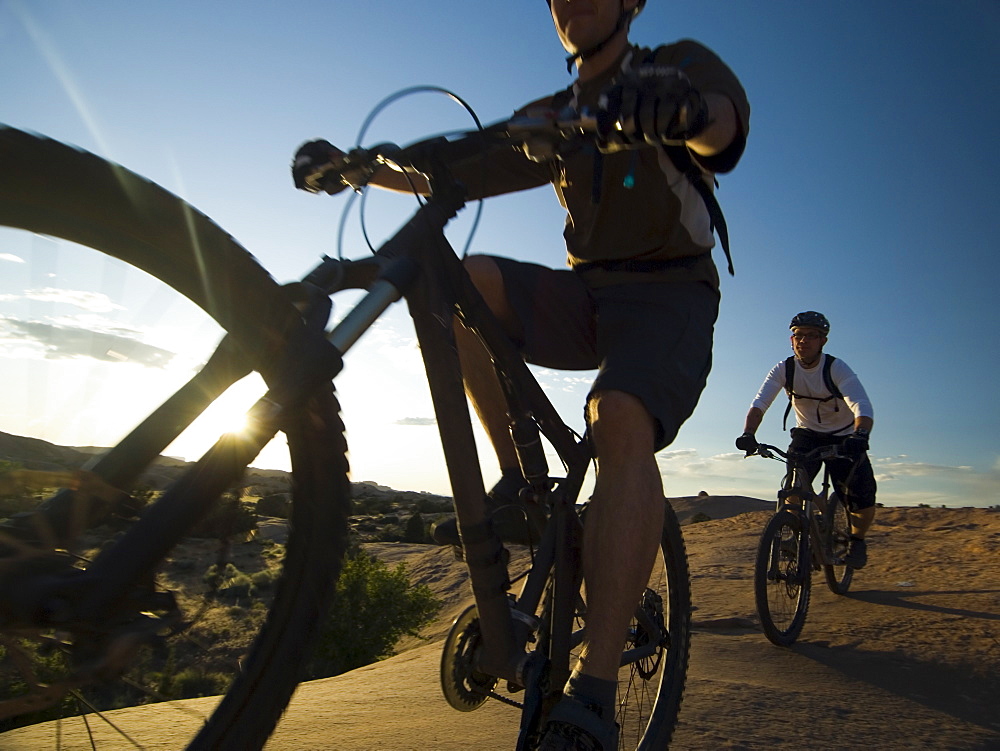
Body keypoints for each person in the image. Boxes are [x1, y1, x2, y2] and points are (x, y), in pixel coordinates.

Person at [293, 2, 749, 748]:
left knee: (618, 417)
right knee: (461, 282)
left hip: (669, 293)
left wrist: (682, 106)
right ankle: (522, 482)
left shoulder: (673, 64)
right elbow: (461, 167)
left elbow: (723, 126)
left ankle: (595, 696)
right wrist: (364, 168)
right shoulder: (553, 113)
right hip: (588, 292)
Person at [736, 311, 877, 570]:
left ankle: (857, 540)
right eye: (798, 336)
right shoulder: (784, 369)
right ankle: (792, 534)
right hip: (807, 434)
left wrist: (861, 435)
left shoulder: (836, 368)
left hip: (845, 436)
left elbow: (861, 404)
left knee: (861, 495)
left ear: (823, 341)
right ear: (791, 340)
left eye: (811, 336)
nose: (803, 341)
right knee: (794, 484)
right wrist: (748, 433)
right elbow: (760, 403)